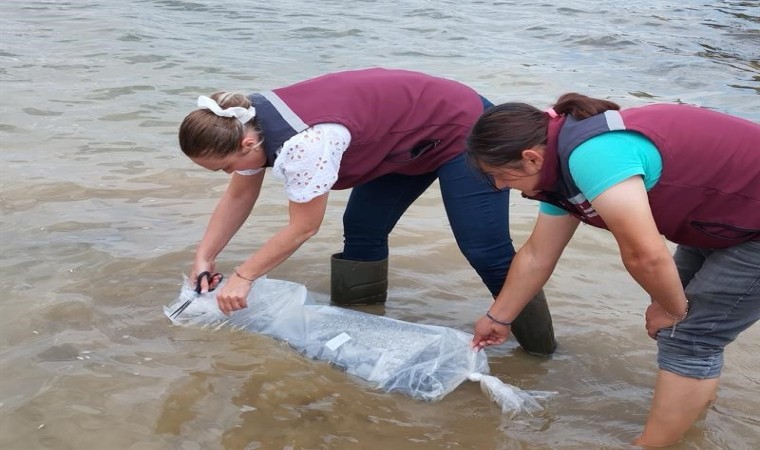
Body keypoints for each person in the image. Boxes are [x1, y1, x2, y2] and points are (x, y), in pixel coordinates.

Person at [176, 67, 558, 355]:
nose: (232, 174)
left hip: (460, 126)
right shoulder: (242, 123)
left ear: (246, 143)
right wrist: (204, 256)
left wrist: (244, 276)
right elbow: (240, 195)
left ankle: (542, 353)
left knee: (484, 250)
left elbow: (303, 227)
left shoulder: (306, 142)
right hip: (406, 140)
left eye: (226, 166)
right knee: (361, 228)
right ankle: (361, 330)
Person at [466, 93, 760, 446]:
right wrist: (499, 318)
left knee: (690, 337)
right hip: (722, 216)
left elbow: (645, 255)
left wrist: (671, 308)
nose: (499, 187)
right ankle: (693, 425)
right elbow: (537, 255)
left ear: (530, 158)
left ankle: (649, 446)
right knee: (687, 334)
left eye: (498, 176)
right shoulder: (561, 166)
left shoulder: (593, 156)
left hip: (746, 223)